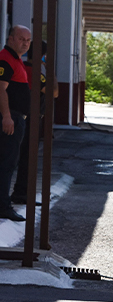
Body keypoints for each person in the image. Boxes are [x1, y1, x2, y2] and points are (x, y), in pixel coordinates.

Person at [12, 40, 58, 205]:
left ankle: (20, 192)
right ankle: (21, 193)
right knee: (27, 159)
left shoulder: (22, 66)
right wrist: (50, 70)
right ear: (42, 56)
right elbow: (54, 92)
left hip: (21, 117)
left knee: (18, 157)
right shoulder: (36, 72)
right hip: (30, 120)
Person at [0, 25, 32, 221]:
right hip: (10, 119)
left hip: (16, 118)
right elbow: (1, 89)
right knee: (6, 164)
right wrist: (6, 116)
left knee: (8, 163)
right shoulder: (5, 58)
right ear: (11, 38)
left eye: (28, 40)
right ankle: (3, 206)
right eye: (21, 39)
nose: (25, 43)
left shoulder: (16, 60)